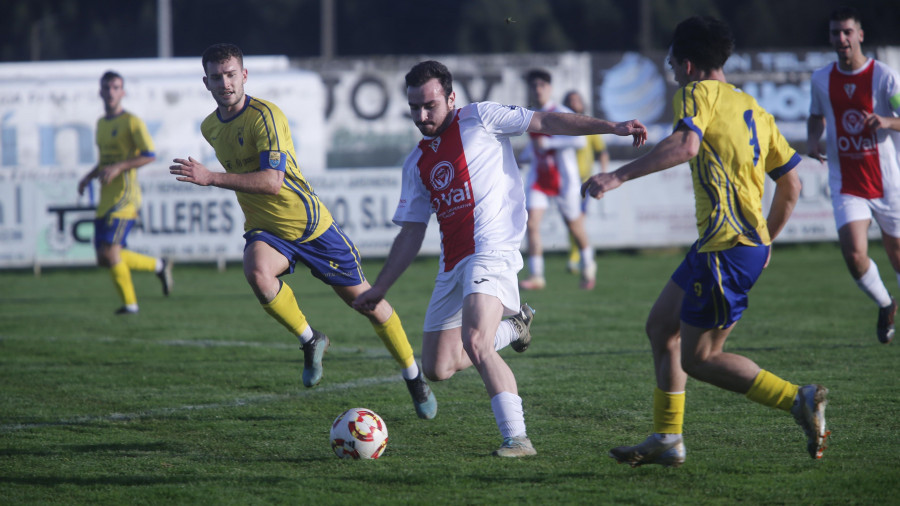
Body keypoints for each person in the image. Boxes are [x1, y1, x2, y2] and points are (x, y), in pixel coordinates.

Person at [353, 60, 646, 457]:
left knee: (475, 341)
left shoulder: (482, 118)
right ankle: (515, 326)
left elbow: (548, 121)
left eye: (430, 106)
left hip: (493, 248)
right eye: (414, 108)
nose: (421, 116)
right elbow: (411, 231)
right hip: (452, 262)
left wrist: (612, 128)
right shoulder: (416, 163)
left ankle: (517, 439)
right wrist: (381, 287)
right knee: (438, 367)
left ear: (451, 98)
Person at [583, 16, 828, 467]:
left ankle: (798, 398)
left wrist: (617, 175)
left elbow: (685, 146)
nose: (673, 71)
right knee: (660, 326)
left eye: (673, 62)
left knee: (700, 358)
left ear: (689, 63)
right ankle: (667, 439)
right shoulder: (753, 108)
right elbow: (792, 184)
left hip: (727, 248)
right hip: (726, 246)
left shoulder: (696, 93)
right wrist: (766, 240)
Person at [168, 43, 437, 419]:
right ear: (206, 82)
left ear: (244, 75)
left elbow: (273, 182)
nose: (225, 83)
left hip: (310, 226)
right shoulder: (210, 127)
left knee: (368, 305)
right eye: (217, 77)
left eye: (231, 74)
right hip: (266, 229)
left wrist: (211, 178)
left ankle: (413, 376)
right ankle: (311, 340)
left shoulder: (266, 116)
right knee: (257, 274)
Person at [807, 6, 900, 344]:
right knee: (854, 253)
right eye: (835, 33)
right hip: (847, 182)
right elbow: (816, 115)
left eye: (847, 32)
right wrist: (814, 139)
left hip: (887, 180)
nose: (841, 38)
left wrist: (887, 121)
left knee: (896, 254)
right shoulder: (821, 78)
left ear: (860, 34)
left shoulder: (885, 77)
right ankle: (886, 303)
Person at [77, 70, 173, 315]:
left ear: (123, 92)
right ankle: (158, 265)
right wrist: (88, 176)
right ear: (100, 92)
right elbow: (105, 160)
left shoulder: (131, 121)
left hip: (125, 198)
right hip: (105, 197)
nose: (111, 92)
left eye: (116, 87)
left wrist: (120, 166)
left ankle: (130, 305)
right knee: (103, 257)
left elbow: (149, 155)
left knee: (111, 253)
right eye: (107, 88)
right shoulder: (100, 123)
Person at [519, 70, 597, 291]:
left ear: (550, 88)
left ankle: (589, 267)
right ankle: (537, 276)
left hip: (564, 180)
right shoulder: (530, 115)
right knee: (531, 223)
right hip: (539, 178)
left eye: (542, 85)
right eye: (534, 85)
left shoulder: (562, 112)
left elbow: (580, 143)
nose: (538, 89)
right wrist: (521, 159)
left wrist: (550, 144)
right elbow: (533, 147)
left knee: (574, 226)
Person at [562, 90, 610, 276]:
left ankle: (578, 258)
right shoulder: (560, 126)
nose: (574, 104)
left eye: (577, 100)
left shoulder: (588, 126)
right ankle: (580, 256)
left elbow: (602, 151)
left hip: (583, 182)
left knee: (578, 219)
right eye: (570, 101)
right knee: (571, 221)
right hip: (563, 181)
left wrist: (604, 173)